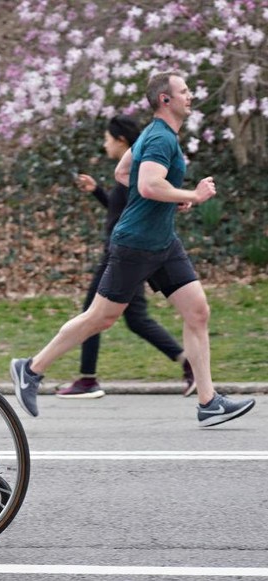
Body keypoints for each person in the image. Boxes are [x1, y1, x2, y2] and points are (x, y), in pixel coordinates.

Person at [11, 71, 256, 427]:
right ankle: (30, 370)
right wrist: (191, 195)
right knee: (101, 317)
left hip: (163, 242)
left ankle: (209, 401)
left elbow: (124, 172)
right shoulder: (159, 138)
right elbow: (147, 183)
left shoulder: (155, 136)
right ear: (165, 100)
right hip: (135, 244)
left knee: (198, 311)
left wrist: (169, 200)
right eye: (184, 91)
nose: (191, 95)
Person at [59, 115, 194, 398]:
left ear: (121, 141)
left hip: (120, 255)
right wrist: (96, 191)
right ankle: (187, 363)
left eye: (107, 139)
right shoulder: (130, 174)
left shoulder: (131, 174)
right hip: (128, 253)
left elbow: (132, 214)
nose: (104, 144)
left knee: (92, 314)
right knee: (135, 319)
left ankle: (86, 379)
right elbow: (120, 210)